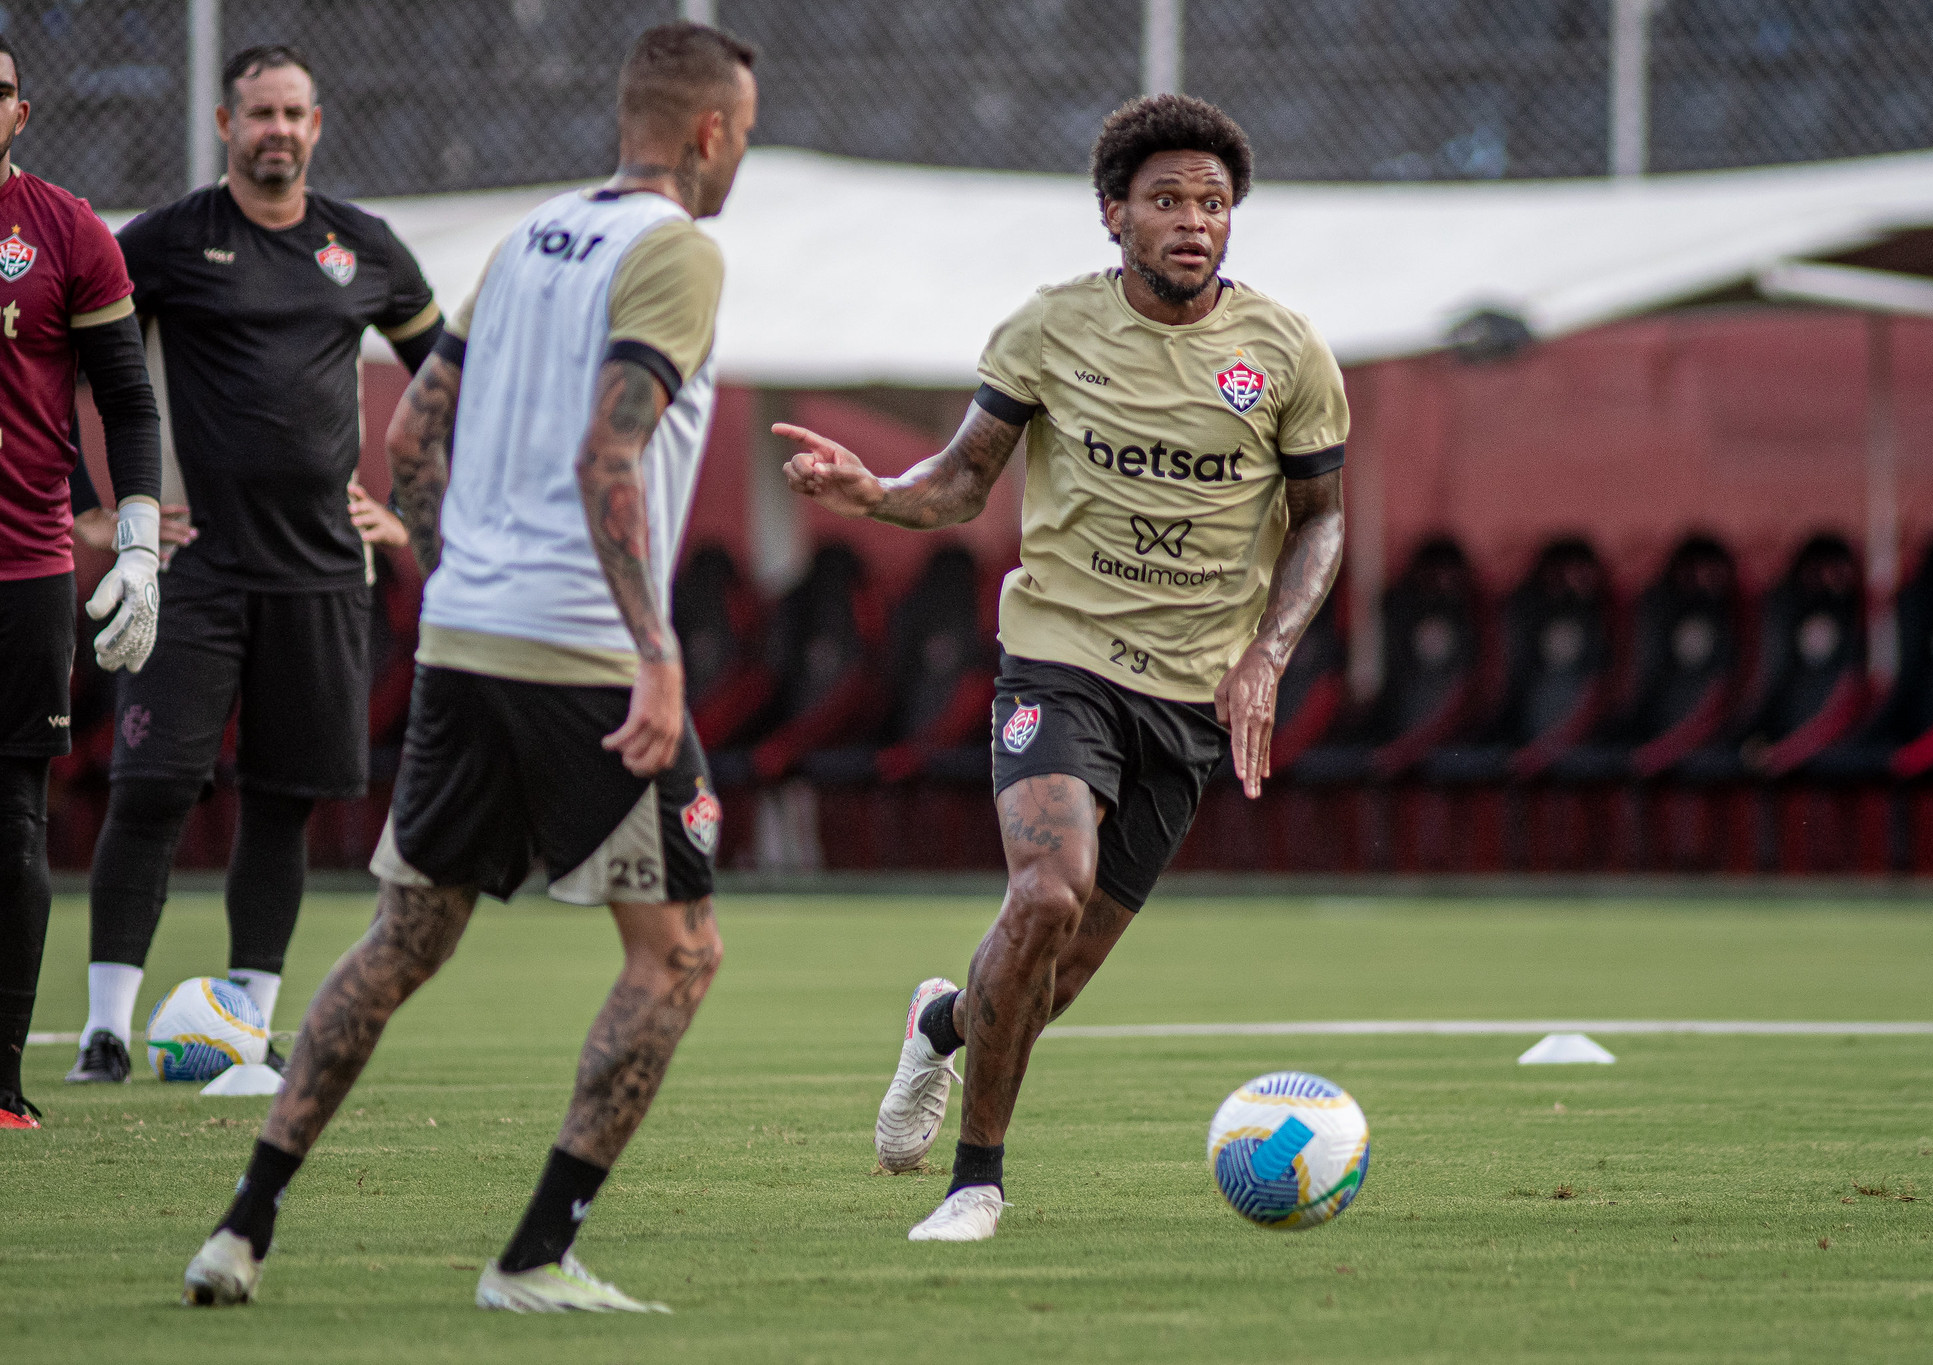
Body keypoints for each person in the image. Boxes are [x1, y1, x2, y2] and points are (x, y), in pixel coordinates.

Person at [181, 22, 755, 1311]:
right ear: (710, 132)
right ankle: (535, 1259)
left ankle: (239, 1232)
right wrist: (656, 658)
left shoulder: (531, 237)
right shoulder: (679, 254)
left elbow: (415, 436)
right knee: (679, 954)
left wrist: (456, 582)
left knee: (404, 936)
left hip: (467, 638)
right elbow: (612, 463)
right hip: (588, 652)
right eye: (742, 137)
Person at [777, 94, 1349, 1241]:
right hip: (1059, 662)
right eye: (1167, 201)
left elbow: (1323, 521)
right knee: (1043, 895)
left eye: (1212, 202)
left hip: (1190, 697)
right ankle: (975, 1184)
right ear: (1113, 215)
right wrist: (873, 495)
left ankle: (941, 1026)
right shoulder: (1048, 329)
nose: (1193, 221)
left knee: (1051, 983)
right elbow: (957, 483)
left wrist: (1265, 655)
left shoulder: (1285, 352)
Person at [66, 45, 445, 1084]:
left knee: (283, 801)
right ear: (226, 126)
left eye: (293, 112)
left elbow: (451, 379)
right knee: (151, 789)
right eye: (258, 114)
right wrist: (98, 512)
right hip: (194, 572)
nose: (276, 129)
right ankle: (104, 1030)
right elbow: (63, 368)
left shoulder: (361, 247)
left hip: (323, 576)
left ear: (316, 125)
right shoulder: (170, 242)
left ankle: (247, 1030)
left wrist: (409, 513)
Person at [0, 32, 166, 1129]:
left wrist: (141, 540)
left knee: (13, 818)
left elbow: (127, 398)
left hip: (23, 564)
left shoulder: (66, 231)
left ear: (19, 110)